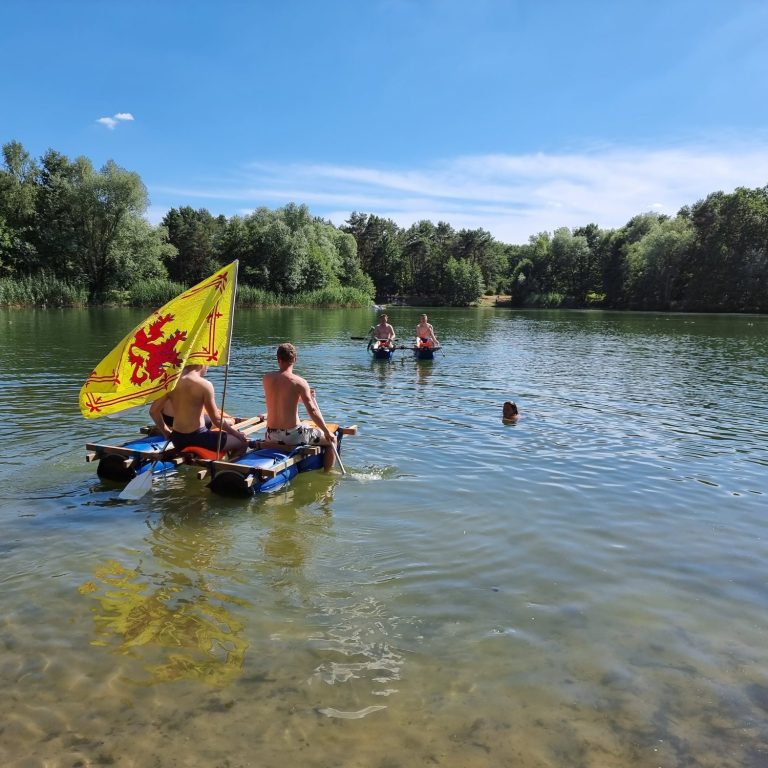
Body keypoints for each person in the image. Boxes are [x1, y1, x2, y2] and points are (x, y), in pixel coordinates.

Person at [262, 343, 338, 471]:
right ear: (295, 360)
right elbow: (312, 410)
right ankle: (327, 476)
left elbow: (283, 400)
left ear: (278, 359)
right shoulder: (300, 382)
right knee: (333, 439)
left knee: (304, 426)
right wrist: (326, 432)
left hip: (271, 435)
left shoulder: (267, 378)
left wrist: (301, 398)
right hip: (292, 436)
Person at [150, 364, 247, 456]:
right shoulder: (205, 385)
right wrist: (236, 434)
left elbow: (153, 411)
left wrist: (166, 432)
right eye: (207, 366)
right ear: (202, 365)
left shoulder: (171, 382)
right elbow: (216, 420)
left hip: (178, 439)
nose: (207, 369)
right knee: (242, 442)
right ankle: (227, 471)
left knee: (207, 422)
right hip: (199, 438)